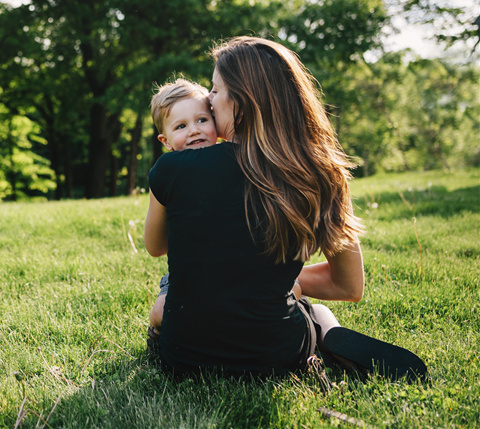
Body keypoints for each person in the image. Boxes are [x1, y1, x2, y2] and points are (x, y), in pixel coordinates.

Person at [144, 36, 427, 380]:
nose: (208, 99)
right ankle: (325, 331)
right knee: (312, 309)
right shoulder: (322, 172)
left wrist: (240, 276)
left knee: (173, 293)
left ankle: (317, 325)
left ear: (242, 102)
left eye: (215, 90)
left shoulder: (173, 169)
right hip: (280, 353)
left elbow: (157, 246)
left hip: (184, 355)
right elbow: (349, 286)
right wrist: (271, 280)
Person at [145, 78, 223, 352]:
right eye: (181, 126)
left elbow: (155, 248)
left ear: (218, 124)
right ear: (165, 141)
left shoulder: (232, 165)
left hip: (230, 276)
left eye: (202, 120)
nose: (194, 131)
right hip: (189, 278)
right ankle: (156, 333)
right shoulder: (168, 174)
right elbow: (155, 247)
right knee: (160, 312)